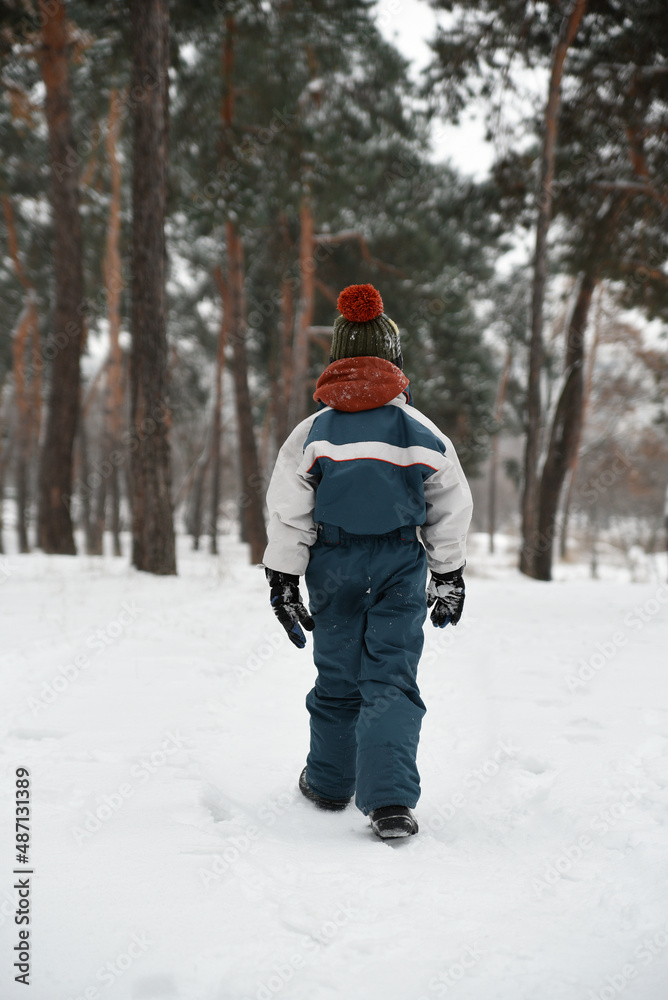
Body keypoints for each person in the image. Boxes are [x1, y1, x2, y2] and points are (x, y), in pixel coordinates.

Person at [262, 283, 473, 839]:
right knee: (391, 676)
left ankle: (330, 783)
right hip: (401, 562)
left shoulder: (312, 433)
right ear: (394, 360)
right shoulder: (422, 432)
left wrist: (284, 575)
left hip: (332, 562)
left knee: (336, 672)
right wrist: (447, 571)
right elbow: (450, 504)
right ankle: (390, 801)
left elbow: (288, 511)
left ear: (337, 359)